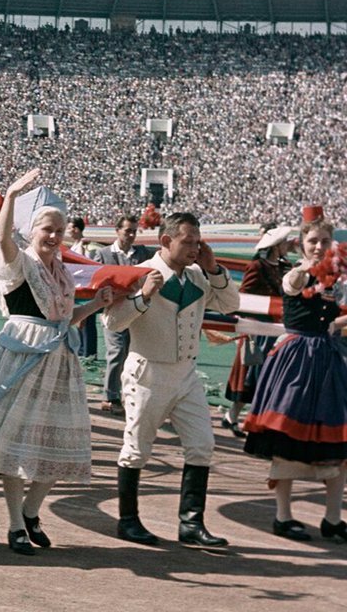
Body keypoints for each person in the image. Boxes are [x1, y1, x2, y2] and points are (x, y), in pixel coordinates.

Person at [0, 169, 115, 555]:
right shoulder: (20, 263)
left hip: (59, 360)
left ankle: (31, 510)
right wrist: (11, 196)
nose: (54, 236)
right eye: (47, 228)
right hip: (23, 357)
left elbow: (63, 319)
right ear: (31, 230)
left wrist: (95, 305)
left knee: (59, 441)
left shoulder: (61, 271)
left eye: (59, 231)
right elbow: (1, 238)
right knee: (14, 441)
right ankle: (15, 524)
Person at [104, 211, 240, 547]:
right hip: (148, 372)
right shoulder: (140, 274)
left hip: (186, 375)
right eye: (188, 241)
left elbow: (230, 304)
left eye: (198, 241)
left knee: (203, 445)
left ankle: (191, 523)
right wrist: (143, 296)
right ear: (166, 241)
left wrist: (214, 269)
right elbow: (113, 323)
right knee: (136, 449)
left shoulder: (197, 275)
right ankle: (129, 520)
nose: (195, 247)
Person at [242, 212, 347, 543]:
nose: (318, 246)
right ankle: (283, 515)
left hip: (327, 360)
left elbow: (334, 317)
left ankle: (332, 518)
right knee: (287, 436)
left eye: (324, 241)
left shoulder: (335, 281)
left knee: (338, 440)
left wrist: (338, 321)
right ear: (301, 244)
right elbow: (295, 285)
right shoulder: (295, 274)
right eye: (312, 241)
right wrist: (316, 267)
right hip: (296, 361)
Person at [223, 225, 291, 434]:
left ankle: (235, 417)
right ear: (276, 246)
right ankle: (240, 417)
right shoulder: (257, 266)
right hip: (258, 328)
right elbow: (245, 297)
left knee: (263, 375)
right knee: (251, 376)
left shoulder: (283, 266)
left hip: (276, 327)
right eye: (284, 242)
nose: (288, 245)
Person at [95, 214, 153, 413]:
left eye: (134, 231)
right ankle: (110, 396)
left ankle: (130, 394)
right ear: (117, 230)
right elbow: (95, 283)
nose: (131, 235)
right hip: (114, 312)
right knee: (117, 352)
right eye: (127, 230)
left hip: (138, 313)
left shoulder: (143, 253)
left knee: (135, 355)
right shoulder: (103, 254)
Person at [65, 216, 99, 358]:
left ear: (76, 229)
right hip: (76, 286)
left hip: (87, 286)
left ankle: (90, 351)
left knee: (87, 319)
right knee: (79, 318)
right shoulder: (74, 246)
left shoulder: (88, 247)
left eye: (70, 228)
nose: (68, 231)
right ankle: (82, 349)